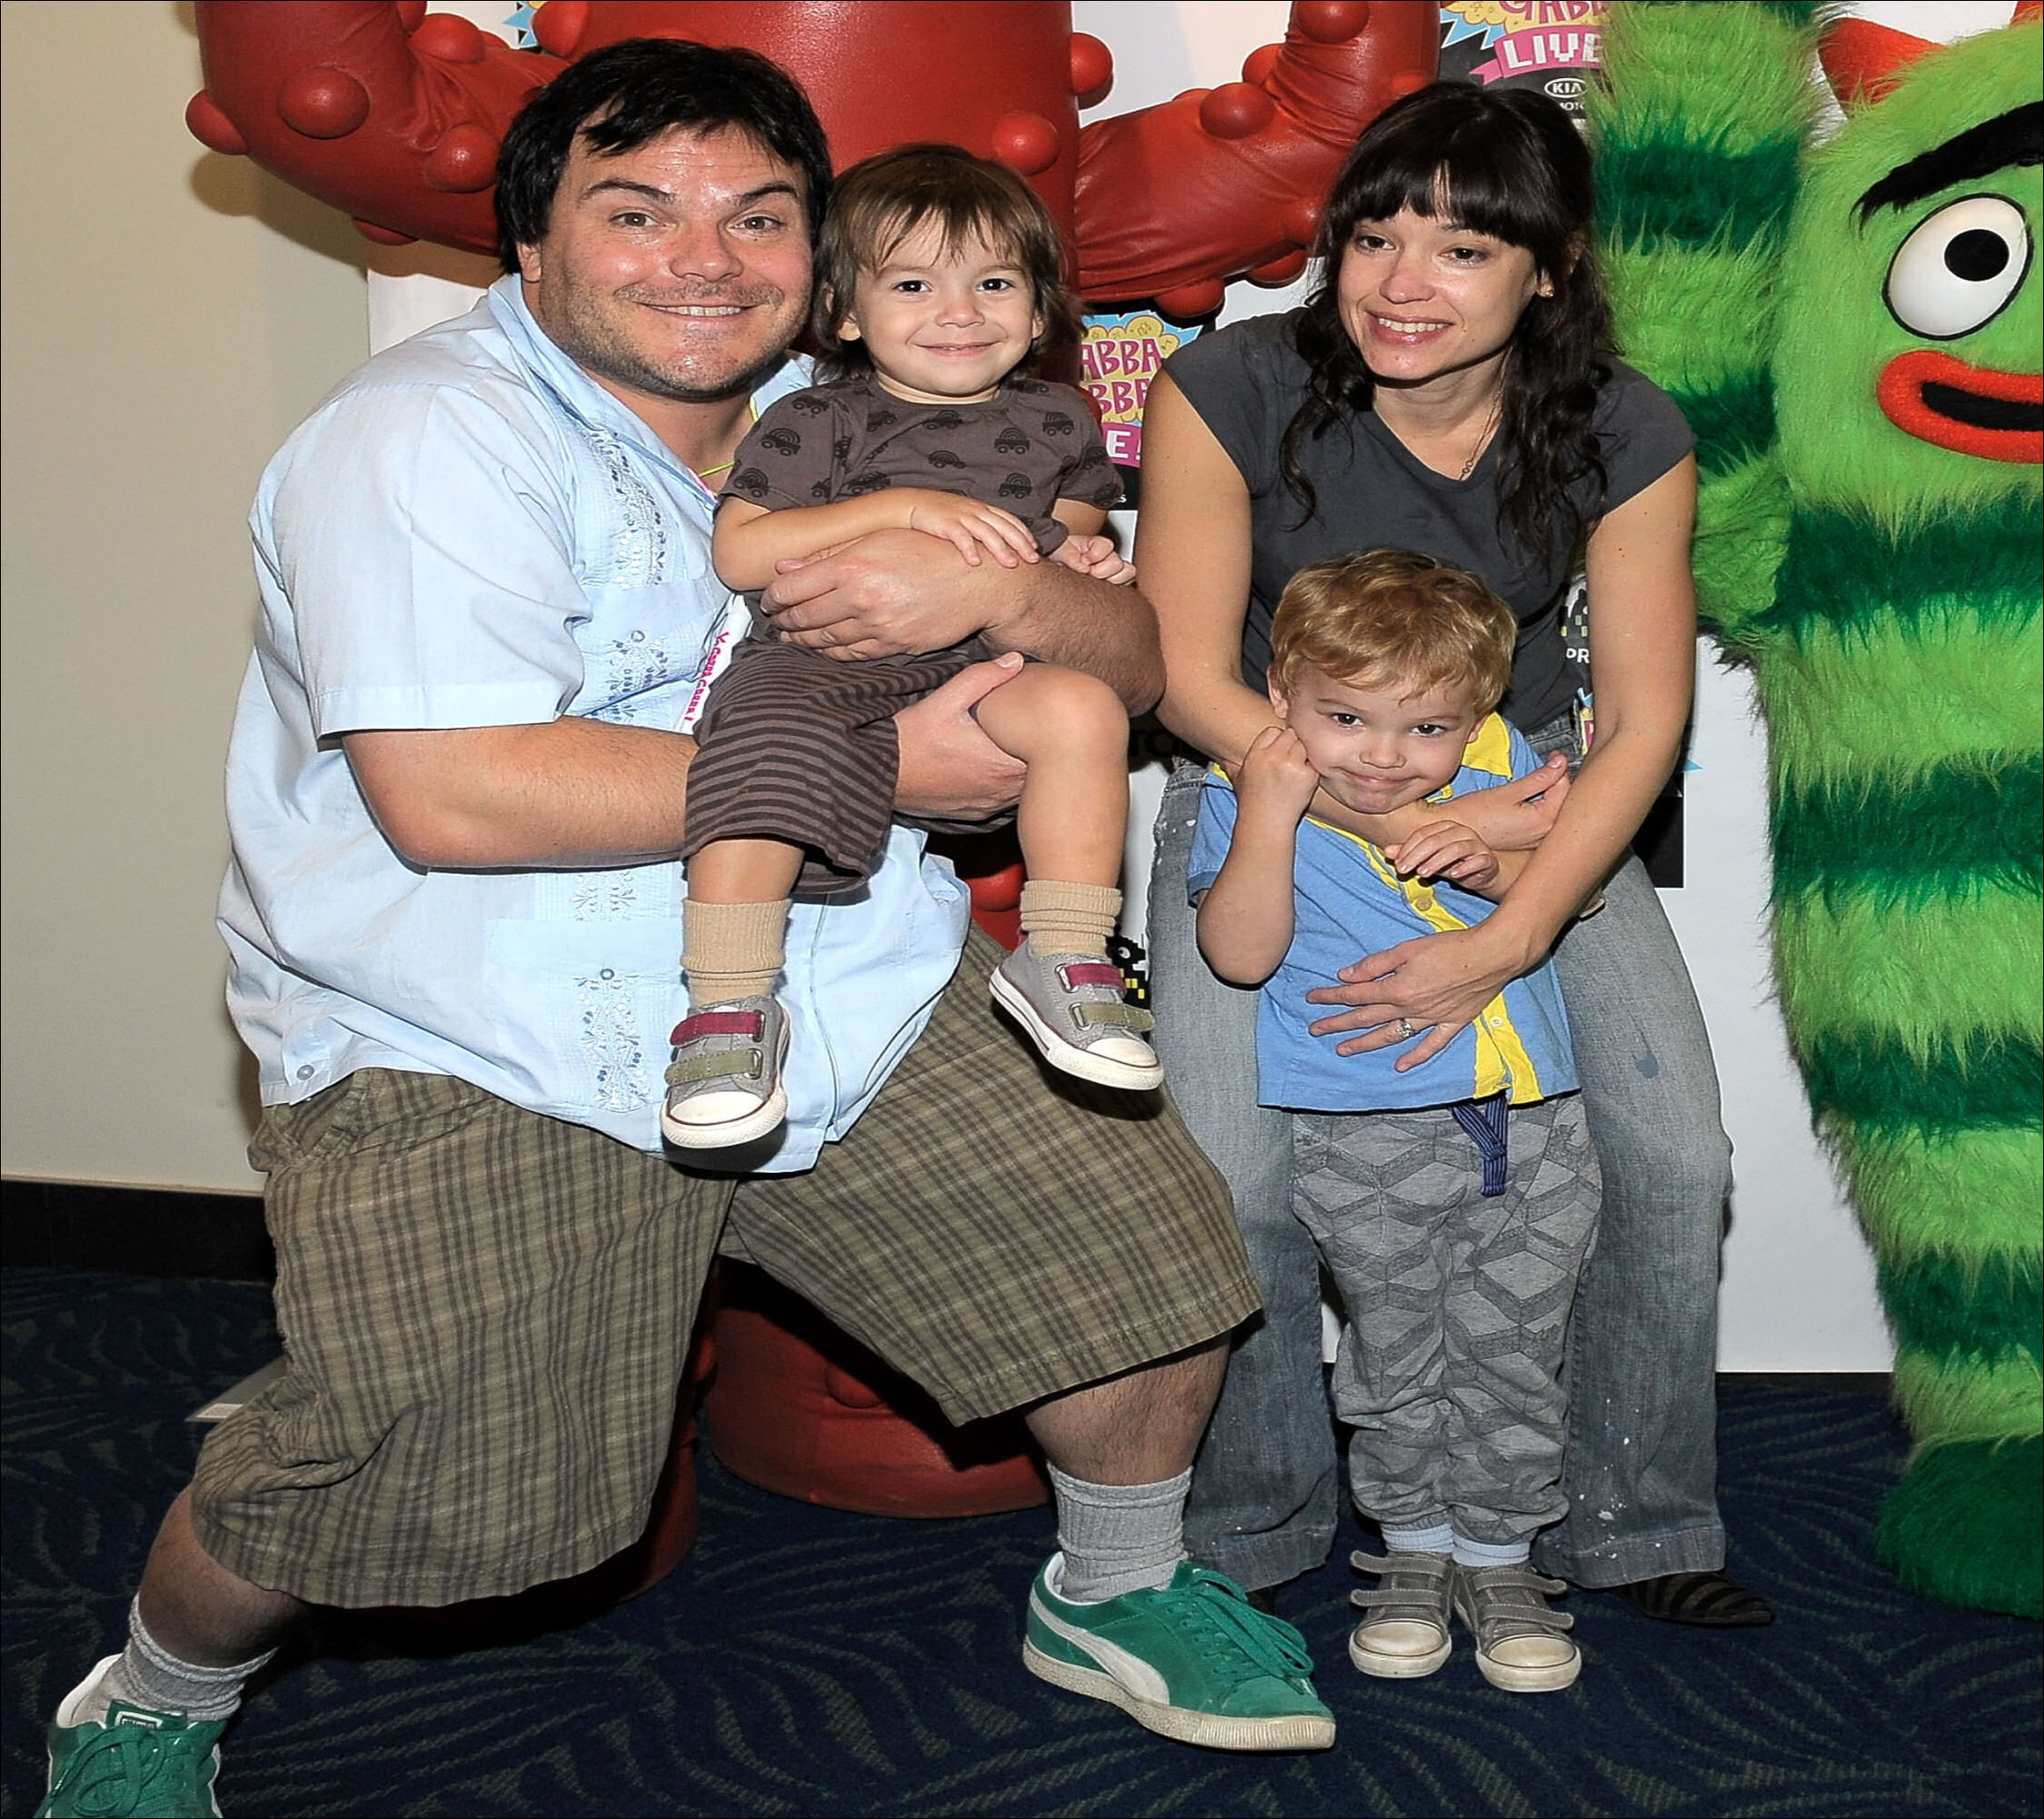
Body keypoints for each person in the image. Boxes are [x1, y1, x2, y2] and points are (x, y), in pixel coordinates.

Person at [37, 41, 1337, 1819]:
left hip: (836, 969)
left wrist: (1017, 585)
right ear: (531, 247)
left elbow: (1132, 665)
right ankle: (155, 1684)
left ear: (819, 246)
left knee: (1152, 1272)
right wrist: (880, 760)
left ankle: (1107, 1585)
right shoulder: (415, 442)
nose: (704, 257)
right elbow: (457, 795)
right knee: (438, 1481)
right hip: (478, 1026)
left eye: (757, 214)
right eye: (636, 212)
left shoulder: (887, 397)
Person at [1136, 81, 1773, 1627]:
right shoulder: (1227, 382)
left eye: (1463, 250)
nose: (1401, 283)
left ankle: (1636, 1516)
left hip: (1529, 816)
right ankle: (1261, 1518)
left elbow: (1636, 723)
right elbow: (1185, 672)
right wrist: (1384, 817)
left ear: (1546, 273)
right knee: (1236, 1172)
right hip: (1267, 795)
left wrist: (1504, 924)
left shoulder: (1626, 425)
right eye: (1374, 235)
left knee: (1673, 1153)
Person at [668, 143, 1159, 1151]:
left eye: (992, 283)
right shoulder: (817, 418)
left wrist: (1081, 564)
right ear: (848, 313)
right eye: (912, 284)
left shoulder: (1058, 416)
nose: (959, 311)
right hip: (819, 662)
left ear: (1037, 312)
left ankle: (1064, 957)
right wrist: (898, 508)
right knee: (758, 755)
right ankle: (725, 1010)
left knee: (1086, 708)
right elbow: (740, 549)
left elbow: (1064, 526)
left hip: (983, 664)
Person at [1192, 549, 1601, 1693]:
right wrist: (1270, 814)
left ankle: (1503, 1558)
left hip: (1533, 1121)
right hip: (1360, 1130)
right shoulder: (1242, 794)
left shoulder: (1512, 768)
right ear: (1281, 700)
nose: (1382, 755)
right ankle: (1416, 1552)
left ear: (1472, 721)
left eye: (1425, 729)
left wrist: (1501, 854)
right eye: (1345, 718)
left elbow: (1586, 891)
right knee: (1395, 1355)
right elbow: (1238, 954)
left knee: (1516, 1353)